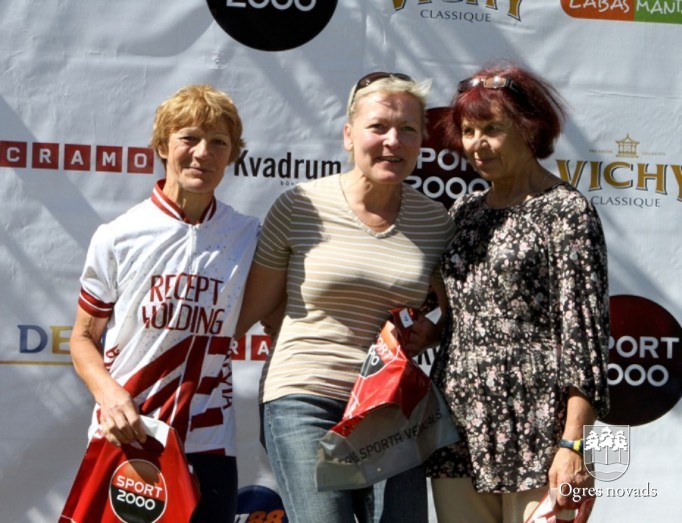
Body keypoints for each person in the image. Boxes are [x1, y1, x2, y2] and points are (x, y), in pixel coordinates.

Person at [235, 72, 455, 522]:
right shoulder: (299, 205)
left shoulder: (436, 223)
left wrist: (432, 334)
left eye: (407, 129)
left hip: (391, 408)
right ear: (349, 135)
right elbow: (251, 309)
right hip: (303, 398)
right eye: (378, 127)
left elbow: (463, 313)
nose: (393, 141)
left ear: (421, 142)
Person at [426, 62, 610, 523]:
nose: (477, 144)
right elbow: (457, 314)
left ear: (529, 129)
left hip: (542, 434)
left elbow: (585, 341)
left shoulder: (566, 211)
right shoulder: (463, 212)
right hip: (458, 436)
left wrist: (573, 445)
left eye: (492, 128)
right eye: (468, 131)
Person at [69, 84, 260, 522]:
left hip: (210, 441)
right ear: (162, 145)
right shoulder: (118, 235)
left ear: (232, 155)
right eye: (189, 138)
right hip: (130, 430)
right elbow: (82, 338)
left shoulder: (249, 234)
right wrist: (110, 396)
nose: (203, 153)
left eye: (218, 142)